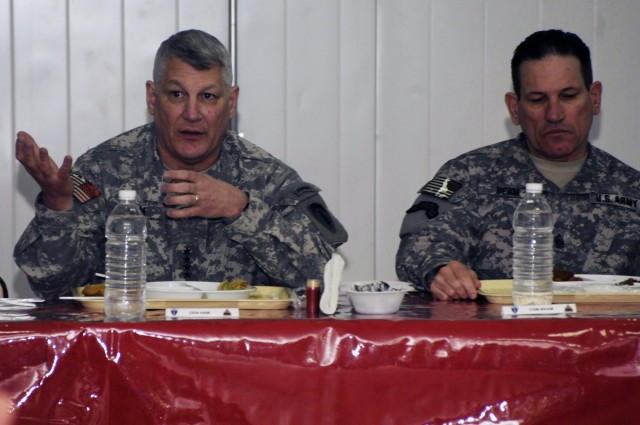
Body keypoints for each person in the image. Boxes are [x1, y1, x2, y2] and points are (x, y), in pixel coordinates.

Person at [14, 29, 347, 300]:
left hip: (237, 361)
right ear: (151, 97)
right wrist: (58, 207)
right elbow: (52, 289)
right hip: (131, 359)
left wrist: (241, 209)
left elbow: (322, 279)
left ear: (231, 103)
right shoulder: (103, 171)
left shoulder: (268, 178)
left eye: (208, 97)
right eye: (176, 95)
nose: (192, 114)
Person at [396, 29, 640, 301]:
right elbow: (418, 247)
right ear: (514, 108)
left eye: (568, 96)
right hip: (497, 339)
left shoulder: (631, 188)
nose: (555, 114)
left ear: (594, 97)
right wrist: (441, 271)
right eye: (538, 100)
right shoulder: (470, 175)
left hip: (607, 340)